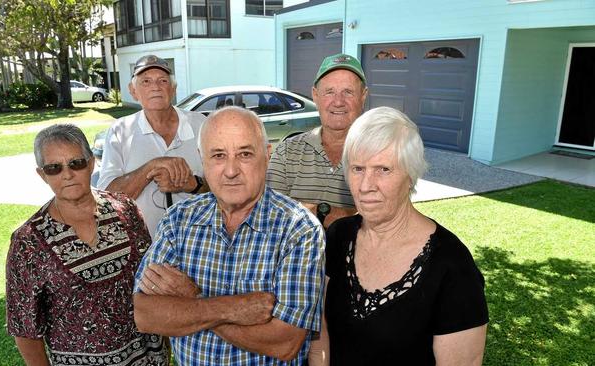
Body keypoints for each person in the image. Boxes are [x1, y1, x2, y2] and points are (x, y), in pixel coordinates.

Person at [132, 106, 326, 365]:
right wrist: (232, 308)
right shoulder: (178, 220)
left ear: (267, 155)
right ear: (202, 159)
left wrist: (190, 302)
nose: (231, 170)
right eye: (218, 155)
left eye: (244, 154)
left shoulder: (298, 229)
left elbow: (285, 342)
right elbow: (145, 315)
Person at [312, 107, 489, 365]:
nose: (365, 186)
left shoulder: (452, 266)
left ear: (411, 175)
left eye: (383, 169)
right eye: (358, 168)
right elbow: (321, 334)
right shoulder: (339, 236)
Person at [5, 124, 167, 365]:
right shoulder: (28, 242)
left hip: (148, 359)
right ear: (42, 174)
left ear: (91, 163)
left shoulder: (126, 210)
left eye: (76, 163)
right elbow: (24, 328)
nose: (67, 174)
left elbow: (153, 282)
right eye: (54, 168)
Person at [98, 55, 208, 237]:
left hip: (197, 242)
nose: (155, 87)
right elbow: (108, 197)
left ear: (173, 89)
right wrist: (152, 166)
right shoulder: (120, 130)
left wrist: (192, 184)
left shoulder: (201, 124)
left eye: (163, 81)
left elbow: (223, 186)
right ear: (133, 91)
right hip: (142, 245)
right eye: (146, 81)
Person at [267, 53, 368, 228]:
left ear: (363, 96)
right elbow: (269, 215)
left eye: (348, 92)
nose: (338, 102)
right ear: (315, 95)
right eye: (329, 92)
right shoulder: (287, 152)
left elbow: (389, 219)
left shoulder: (380, 153)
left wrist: (304, 210)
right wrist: (343, 214)